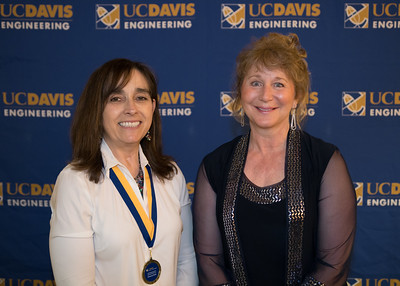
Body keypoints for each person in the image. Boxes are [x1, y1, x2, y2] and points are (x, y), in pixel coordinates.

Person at [193, 33, 356, 285]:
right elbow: (208, 259)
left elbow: (333, 265)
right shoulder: (214, 166)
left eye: (279, 84)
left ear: (297, 97)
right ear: (240, 93)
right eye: (255, 82)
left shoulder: (325, 162)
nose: (265, 95)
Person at [49, 58, 198, 285]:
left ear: (153, 107)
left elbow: (186, 261)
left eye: (141, 97)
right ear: (97, 109)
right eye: (116, 98)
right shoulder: (75, 182)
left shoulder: (171, 174)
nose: (131, 108)